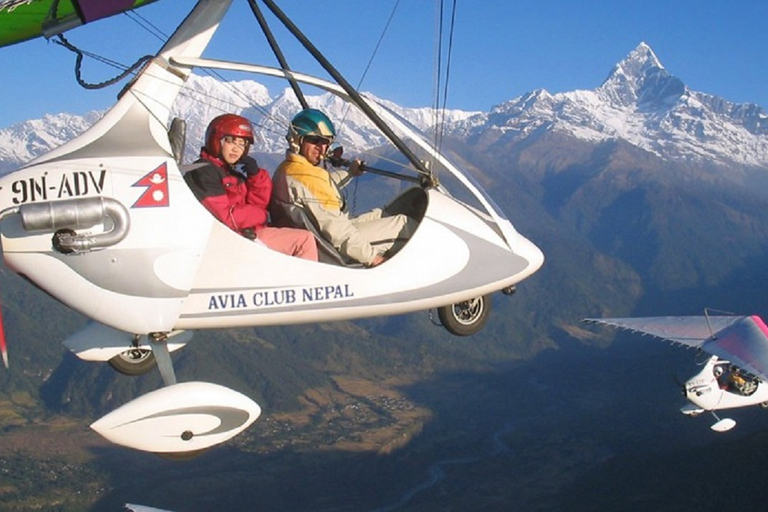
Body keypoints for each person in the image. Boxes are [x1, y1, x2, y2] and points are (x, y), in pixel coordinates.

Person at [271, 108, 416, 267]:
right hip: (331, 248)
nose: (320, 147)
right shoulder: (309, 177)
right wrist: (373, 258)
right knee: (403, 224)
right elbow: (336, 229)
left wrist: (350, 173)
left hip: (322, 237)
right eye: (313, 140)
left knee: (381, 214)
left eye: (325, 141)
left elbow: (321, 188)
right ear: (297, 141)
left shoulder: (288, 169)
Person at [184, 113, 318, 261]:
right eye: (230, 141)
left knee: (303, 237)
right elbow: (227, 218)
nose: (236, 149)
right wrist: (260, 215)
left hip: (246, 232)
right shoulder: (204, 172)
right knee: (304, 241)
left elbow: (259, 202)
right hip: (229, 239)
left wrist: (255, 176)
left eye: (242, 144)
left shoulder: (230, 172)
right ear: (216, 140)